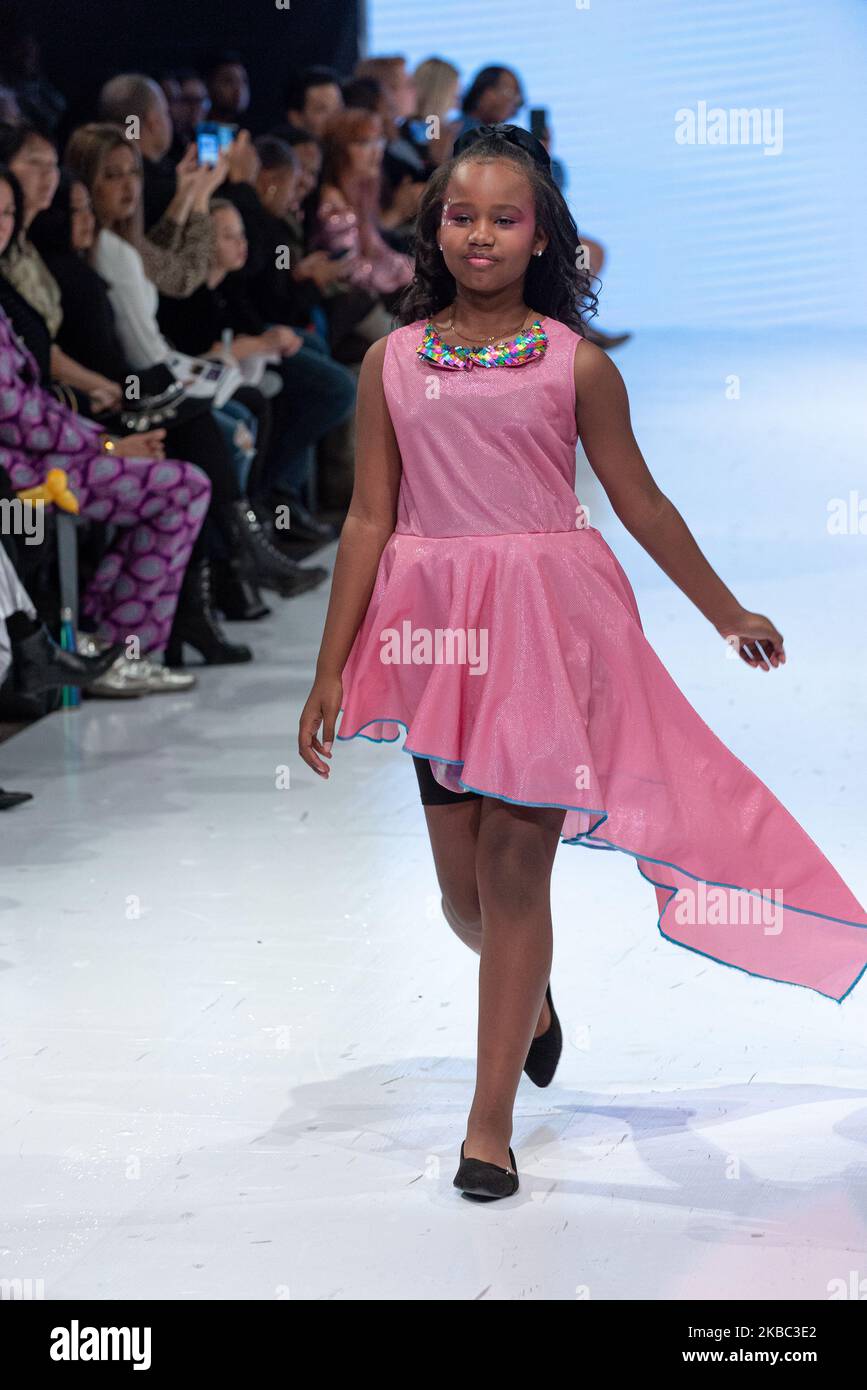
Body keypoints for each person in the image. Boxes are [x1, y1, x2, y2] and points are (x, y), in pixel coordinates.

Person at [298, 124, 867, 1202]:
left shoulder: (577, 365)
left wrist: (723, 610)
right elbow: (370, 515)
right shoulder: (391, 362)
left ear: (546, 235)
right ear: (434, 228)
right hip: (435, 640)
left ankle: (487, 1128)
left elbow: (641, 503)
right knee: (463, 900)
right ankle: (536, 998)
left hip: (547, 640)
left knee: (517, 877)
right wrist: (330, 669)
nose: (480, 234)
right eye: (460, 215)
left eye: (505, 217)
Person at [0, 166, 211, 687]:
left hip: (46, 453)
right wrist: (109, 443)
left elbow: (30, 404)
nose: (2, 224)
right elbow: (15, 410)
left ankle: (106, 639)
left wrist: (105, 442)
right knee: (182, 488)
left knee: (187, 470)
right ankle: (118, 649)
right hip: (21, 469)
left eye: (7, 212)